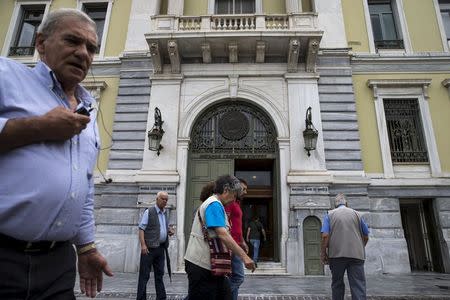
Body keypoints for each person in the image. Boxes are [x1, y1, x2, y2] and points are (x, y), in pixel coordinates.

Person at [0, 8, 112, 299]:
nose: (83, 53)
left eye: (91, 47)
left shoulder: (88, 110)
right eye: (72, 41)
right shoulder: (6, 76)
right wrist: (39, 128)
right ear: (40, 43)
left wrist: (86, 248)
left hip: (58, 266)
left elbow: (84, 187)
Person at [184, 175, 256, 300]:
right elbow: (222, 234)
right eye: (234, 195)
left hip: (211, 266)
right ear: (226, 190)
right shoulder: (214, 205)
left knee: (225, 294)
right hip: (202, 265)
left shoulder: (217, 205)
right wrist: (244, 257)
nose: (234, 199)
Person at [320, 193, 370, 300]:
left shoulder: (329, 214)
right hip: (356, 255)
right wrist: (360, 247)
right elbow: (366, 235)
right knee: (358, 285)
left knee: (337, 283)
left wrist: (323, 253)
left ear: (335, 205)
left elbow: (325, 236)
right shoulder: (357, 214)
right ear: (346, 203)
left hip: (336, 255)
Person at [136, 191, 174, 300]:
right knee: (144, 276)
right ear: (157, 199)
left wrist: (169, 231)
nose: (165, 201)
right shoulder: (149, 211)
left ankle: (161, 298)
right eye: (163, 199)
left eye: (166, 199)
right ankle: (141, 298)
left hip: (161, 248)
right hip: (148, 249)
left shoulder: (165, 213)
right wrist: (143, 245)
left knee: (159, 275)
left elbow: (163, 227)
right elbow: (141, 229)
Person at [225, 178, 249, 300]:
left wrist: (243, 242)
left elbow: (237, 225)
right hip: (232, 246)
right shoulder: (229, 202)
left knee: (233, 277)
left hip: (238, 244)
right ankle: (220, 293)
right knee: (238, 277)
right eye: (243, 189)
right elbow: (226, 223)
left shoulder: (237, 203)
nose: (245, 192)